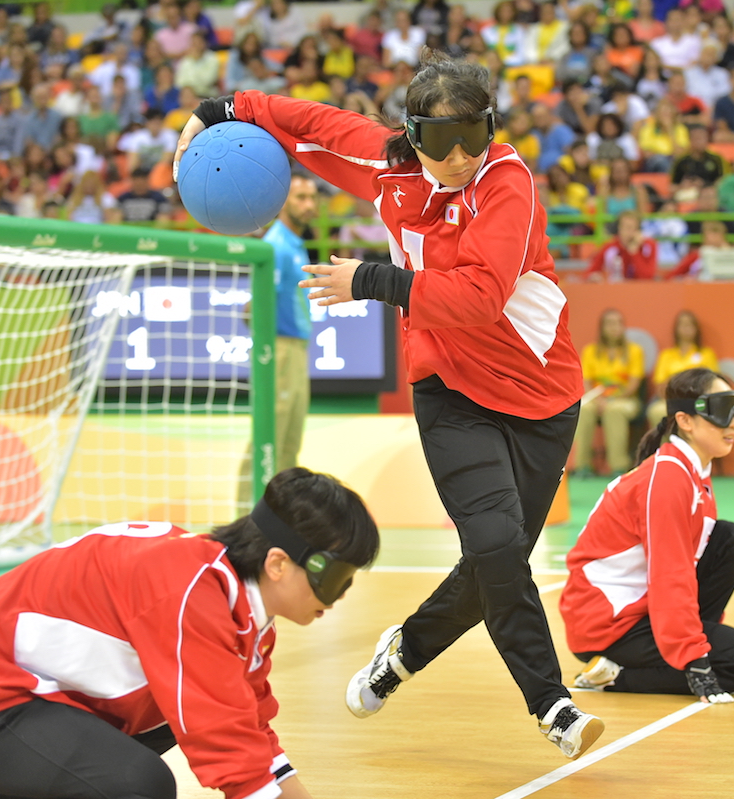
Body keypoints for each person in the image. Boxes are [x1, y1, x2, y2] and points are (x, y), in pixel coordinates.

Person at [173, 51, 604, 759]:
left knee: (492, 567)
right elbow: (303, 122)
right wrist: (217, 111)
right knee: (496, 546)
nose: (461, 156)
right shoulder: (388, 168)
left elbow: (479, 296)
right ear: (412, 135)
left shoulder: (508, 183)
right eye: (441, 141)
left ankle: (404, 650)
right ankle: (550, 701)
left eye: (475, 135)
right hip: (450, 388)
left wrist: (372, 279)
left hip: (541, 392)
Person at [0, 466, 380, 799]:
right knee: (139, 785)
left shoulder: (240, 605)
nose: (337, 596)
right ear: (278, 563)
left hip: (42, 698)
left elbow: (249, 730)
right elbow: (232, 758)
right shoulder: (192, 595)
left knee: (173, 718)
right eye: (333, 578)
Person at [560, 368, 734, 702]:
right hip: (607, 625)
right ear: (684, 420)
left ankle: (685, 653)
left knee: (730, 540)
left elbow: (693, 565)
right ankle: (613, 676)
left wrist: (709, 641)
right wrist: (699, 661)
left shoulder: (694, 473)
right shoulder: (668, 478)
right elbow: (671, 572)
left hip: (643, 609)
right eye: (722, 409)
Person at [235, 174, 318, 513]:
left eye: (312, 198)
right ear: (282, 202)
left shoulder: (294, 245)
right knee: (268, 440)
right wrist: (269, 351)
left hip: (295, 350)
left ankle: (276, 519)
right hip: (280, 350)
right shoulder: (277, 247)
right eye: (300, 198)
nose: (309, 205)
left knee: (287, 443)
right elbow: (252, 308)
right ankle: (245, 517)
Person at [573, 308, 645, 477]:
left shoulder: (634, 351)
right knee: (583, 409)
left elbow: (633, 385)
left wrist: (612, 399)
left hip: (625, 399)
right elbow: (587, 383)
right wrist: (599, 401)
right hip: (597, 398)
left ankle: (618, 466)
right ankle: (582, 465)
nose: (615, 327)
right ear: (602, 328)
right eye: (610, 323)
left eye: (619, 323)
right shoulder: (590, 351)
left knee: (614, 411)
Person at [646, 311, 719, 425]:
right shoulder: (666, 355)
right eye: (682, 324)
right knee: (657, 411)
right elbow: (660, 386)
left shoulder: (707, 354)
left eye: (689, 324)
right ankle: (664, 443)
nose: (686, 328)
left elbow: (712, 385)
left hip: (697, 402)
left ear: (696, 329)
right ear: (676, 328)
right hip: (671, 400)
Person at [585, 208, 657, 281]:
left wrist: (634, 252)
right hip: (615, 289)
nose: (628, 232)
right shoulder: (609, 246)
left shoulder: (649, 245)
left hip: (640, 290)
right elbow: (590, 272)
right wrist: (593, 277)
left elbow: (647, 277)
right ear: (618, 228)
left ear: (638, 230)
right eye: (625, 227)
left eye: (631, 228)